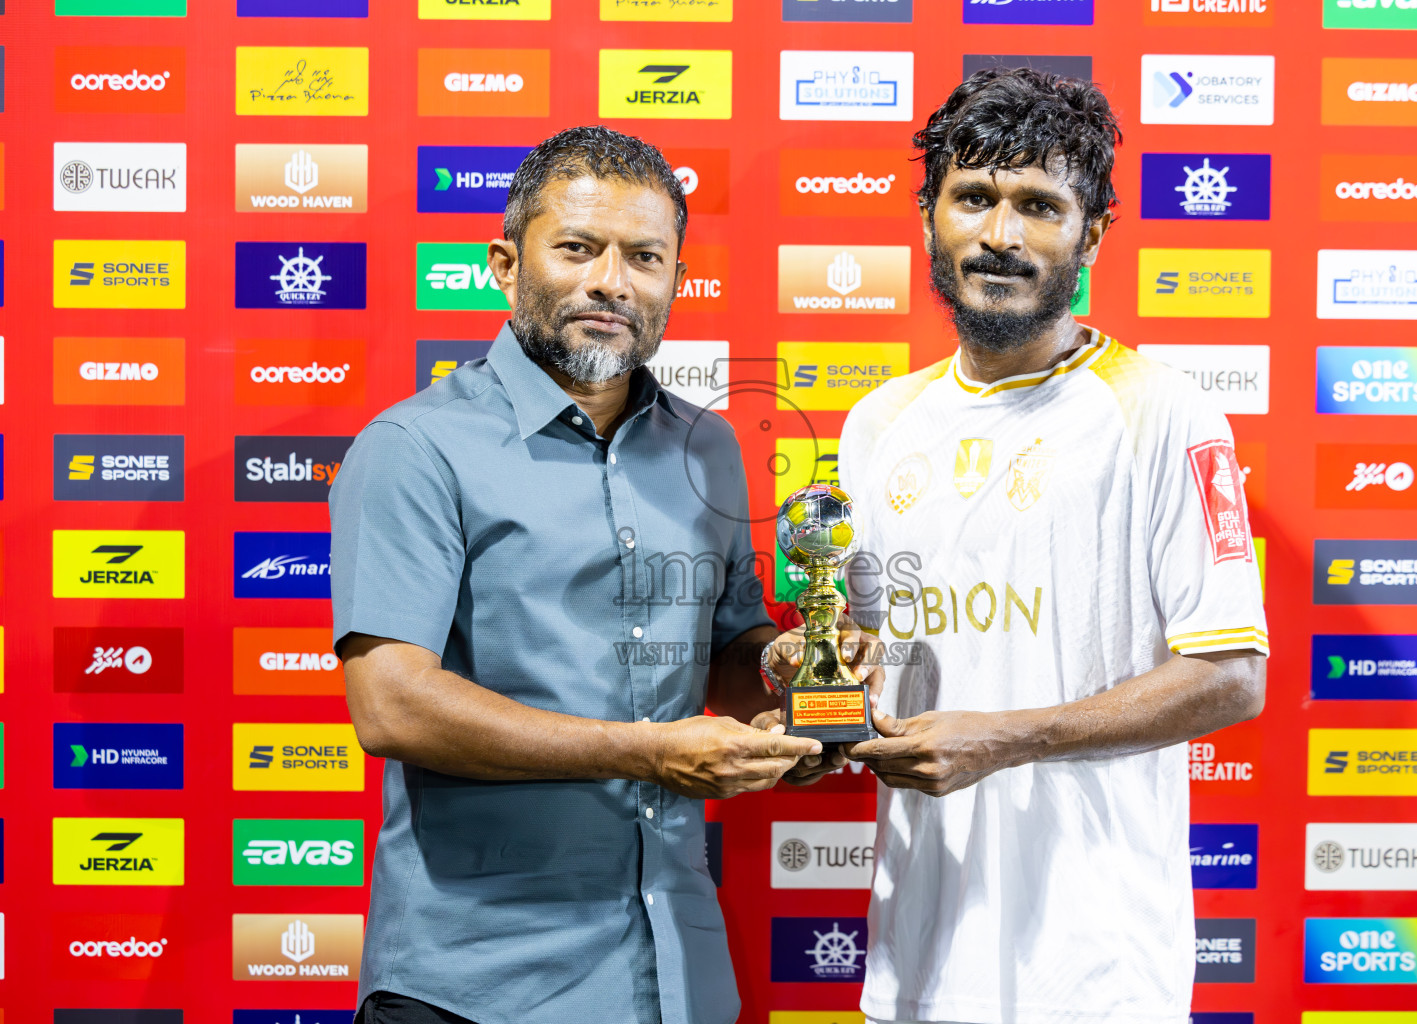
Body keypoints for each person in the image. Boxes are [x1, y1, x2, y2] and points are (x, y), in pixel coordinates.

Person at [330, 125, 867, 1024]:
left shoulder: (710, 445)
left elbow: (731, 654)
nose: (612, 281)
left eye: (645, 257)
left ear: (674, 282)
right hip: (477, 984)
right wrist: (652, 752)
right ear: (505, 264)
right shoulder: (413, 447)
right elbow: (391, 705)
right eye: (578, 248)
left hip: (675, 975)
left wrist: (790, 677)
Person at [829, 68, 1270, 1024]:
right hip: (917, 960)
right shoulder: (877, 422)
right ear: (929, 217)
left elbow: (1233, 677)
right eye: (974, 197)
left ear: (1093, 232)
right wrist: (824, 691)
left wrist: (1007, 737)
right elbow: (866, 654)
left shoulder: (1164, 412)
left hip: (1096, 974)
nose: (1001, 235)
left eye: (1039, 204)